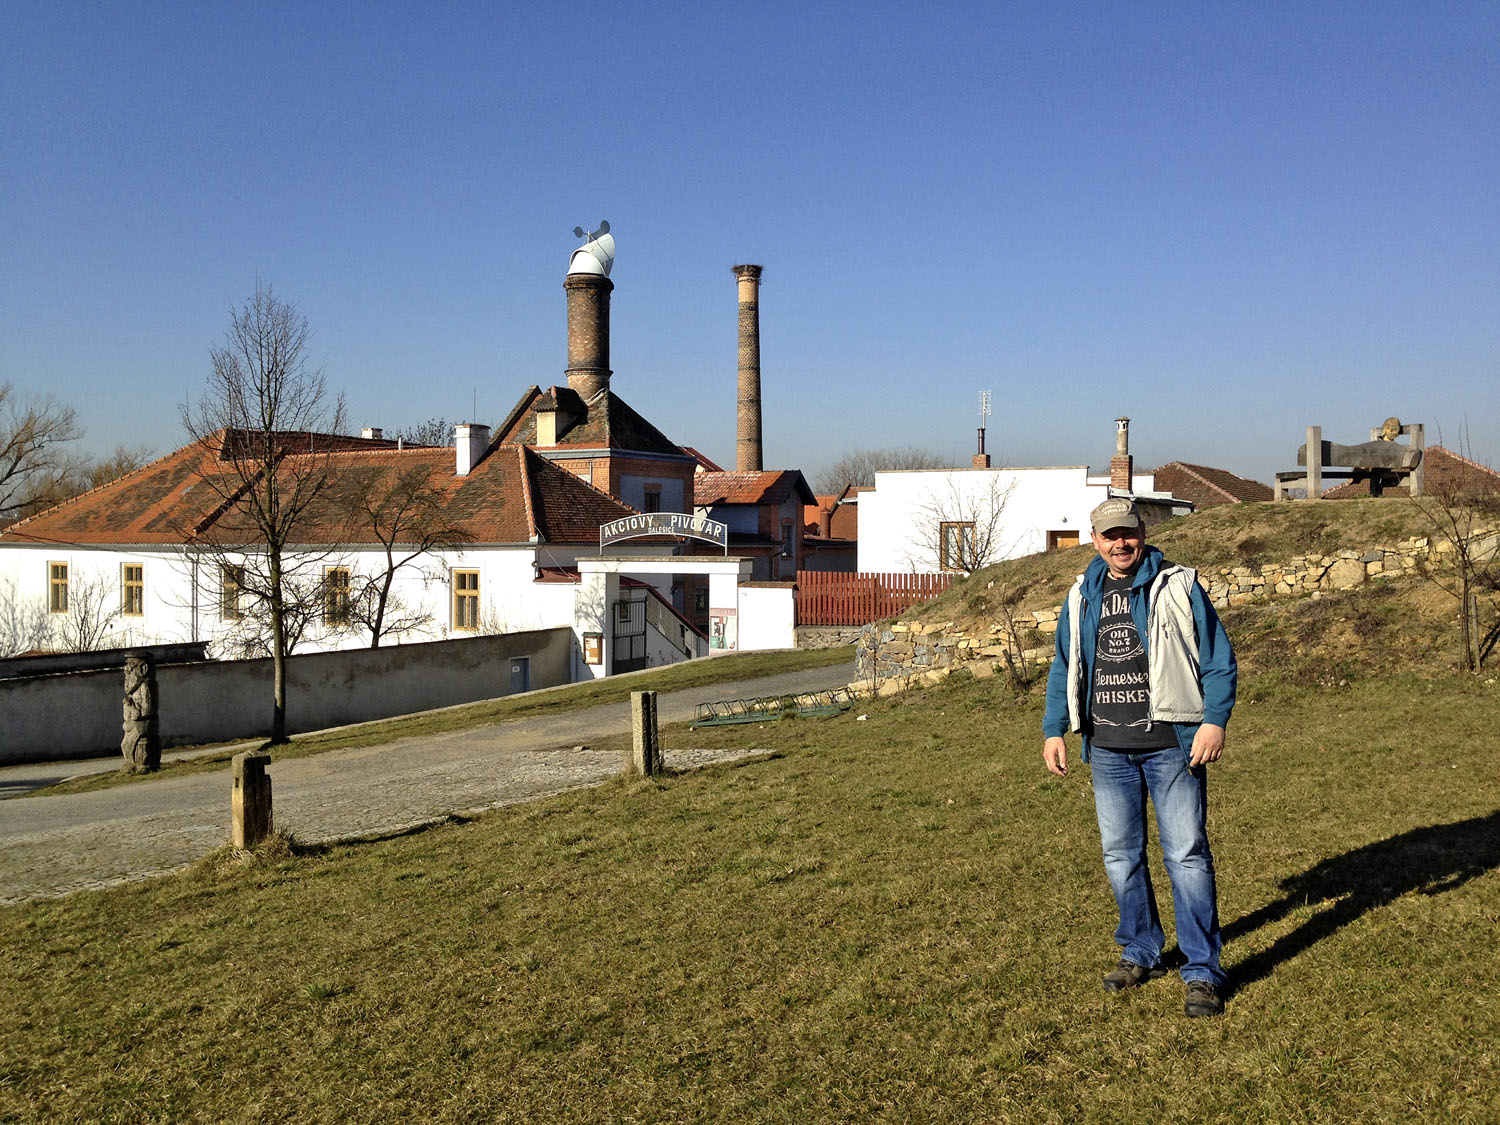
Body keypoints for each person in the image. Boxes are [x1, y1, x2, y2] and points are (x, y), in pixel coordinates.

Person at [1041, 497, 1236, 1018]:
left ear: (1142, 532)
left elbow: (1218, 657)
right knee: (1120, 857)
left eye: (1127, 532)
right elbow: (1064, 664)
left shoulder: (1178, 585)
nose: (1120, 543)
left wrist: (1214, 720)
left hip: (1173, 746)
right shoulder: (1081, 594)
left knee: (1187, 857)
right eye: (1109, 536)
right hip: (1107, 750)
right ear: (1094, 539)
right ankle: (1141, 949)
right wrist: (1054, 729)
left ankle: (1202, 971)